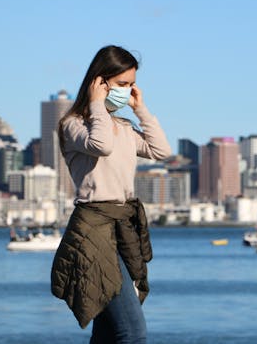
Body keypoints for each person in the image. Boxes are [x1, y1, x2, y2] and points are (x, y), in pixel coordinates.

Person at [51, 45, 172, 344]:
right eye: (121, 84)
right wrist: (95, 105)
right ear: (99, 82)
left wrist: (139, 109)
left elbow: (161, 150)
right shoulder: (74, 125)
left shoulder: (122, 126)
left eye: (131, 84)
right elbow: (100, 145)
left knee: (108, 332)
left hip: (123, 228)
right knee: (132, 331)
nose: (127, 91)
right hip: (93, 231)